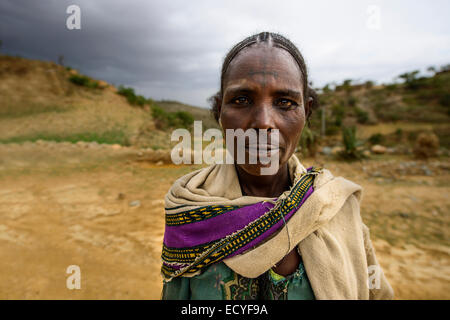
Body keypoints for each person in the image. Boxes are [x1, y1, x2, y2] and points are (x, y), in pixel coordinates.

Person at [160, 32, 394, 300]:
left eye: (285, 103)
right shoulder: (189, 207)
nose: (263, 122)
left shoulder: (336, 206)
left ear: (306, 112)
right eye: (242, 100)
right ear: (219, 110)